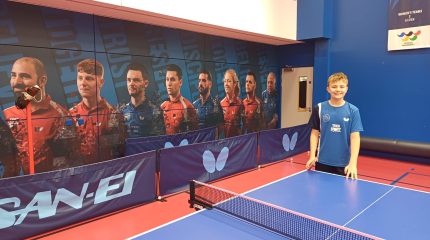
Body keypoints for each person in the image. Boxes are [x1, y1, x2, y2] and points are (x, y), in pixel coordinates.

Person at [3, 57, 77, 175]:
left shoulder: (60, 116)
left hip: (47, 188)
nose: (16, 82)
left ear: (42, 81)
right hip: (16, 188)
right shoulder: (7, 114)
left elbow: (70, 161)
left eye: (24, 76)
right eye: (13, 75)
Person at [305, 72, 363, 179]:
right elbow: (314, 133)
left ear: (346, 89)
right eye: (334, 86)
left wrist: (353, 163)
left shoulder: (353, 111)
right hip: (322, 161)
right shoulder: (319, 108)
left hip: (344, 163)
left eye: (342, 86)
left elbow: (355, 138)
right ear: (328, 89)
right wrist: (312, 155)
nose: (338, 89)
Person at [69, 59, 125, 165]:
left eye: (89, 79)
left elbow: (120, 153)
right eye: (80, 78)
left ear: (101, 82)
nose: (83, 83)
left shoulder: (112, 114)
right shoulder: (70, 114)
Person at [120, 63, 159, 138]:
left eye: (136, 80)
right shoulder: (121, 110)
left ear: (146, 83)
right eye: (128, 80)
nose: (131, 83)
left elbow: (157, 142)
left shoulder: (155, 111)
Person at [160, 64, 198, 135]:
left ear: (180, 82)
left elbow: (194, 136)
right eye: (167, 79)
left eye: (172, 79)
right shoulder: (163, 106)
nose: (169, 83)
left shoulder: (187, 107)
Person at [220, 69, 243, 138]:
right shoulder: (221, 104)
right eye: (225, 81)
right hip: (226, 145)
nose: (226, 84)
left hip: (239, 143)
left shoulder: (240, 103)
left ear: (234, 84)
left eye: (229, 81)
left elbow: (244, 128)